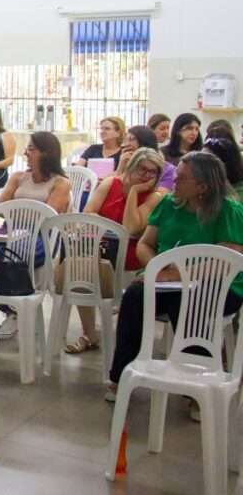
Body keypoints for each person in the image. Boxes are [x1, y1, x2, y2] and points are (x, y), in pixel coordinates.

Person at [108, 152, 243, 402]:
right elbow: (145, 243)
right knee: (135, 296)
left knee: (191, 303)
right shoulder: (169, 203)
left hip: (218, 285)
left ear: (202, 187)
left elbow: (225, 261)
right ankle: (122, 375)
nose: (174, 181)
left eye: (181, 178)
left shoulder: (228, 211)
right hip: (169, 280)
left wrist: (174, 274)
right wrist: (156, 269)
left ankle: (196, 385)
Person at [64, 148, 168, 354]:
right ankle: (89, 333)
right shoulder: (110, 183)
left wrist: (134, 192)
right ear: (131, 167)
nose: (146, 176)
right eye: (142, 169)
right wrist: (107, 230)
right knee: (79, 268)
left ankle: (115, 333)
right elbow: (89, 213)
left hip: (132, 251)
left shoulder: (156, 197)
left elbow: (132, 228)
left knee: (90, 265)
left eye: (152, 172)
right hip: (102, 244)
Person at [0, 131, 71, 340]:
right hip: (10, 230)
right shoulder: (18, 177)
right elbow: (0, 208)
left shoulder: (60, 183)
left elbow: (47, 217)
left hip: (42, 236)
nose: (26, 153)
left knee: (9, 251)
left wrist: (17, 212)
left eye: (31, 149)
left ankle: (13, 310)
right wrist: (24, 213)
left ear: (46, 153)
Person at [115, 125, 175, 191]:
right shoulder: (126, 162)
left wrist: (135, 189)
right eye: (125, 140)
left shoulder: (167, 169)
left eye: (131, 139)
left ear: (144, 142)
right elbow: (113, 188)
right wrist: (121, 167)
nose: (126, 144)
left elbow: (161, 194)